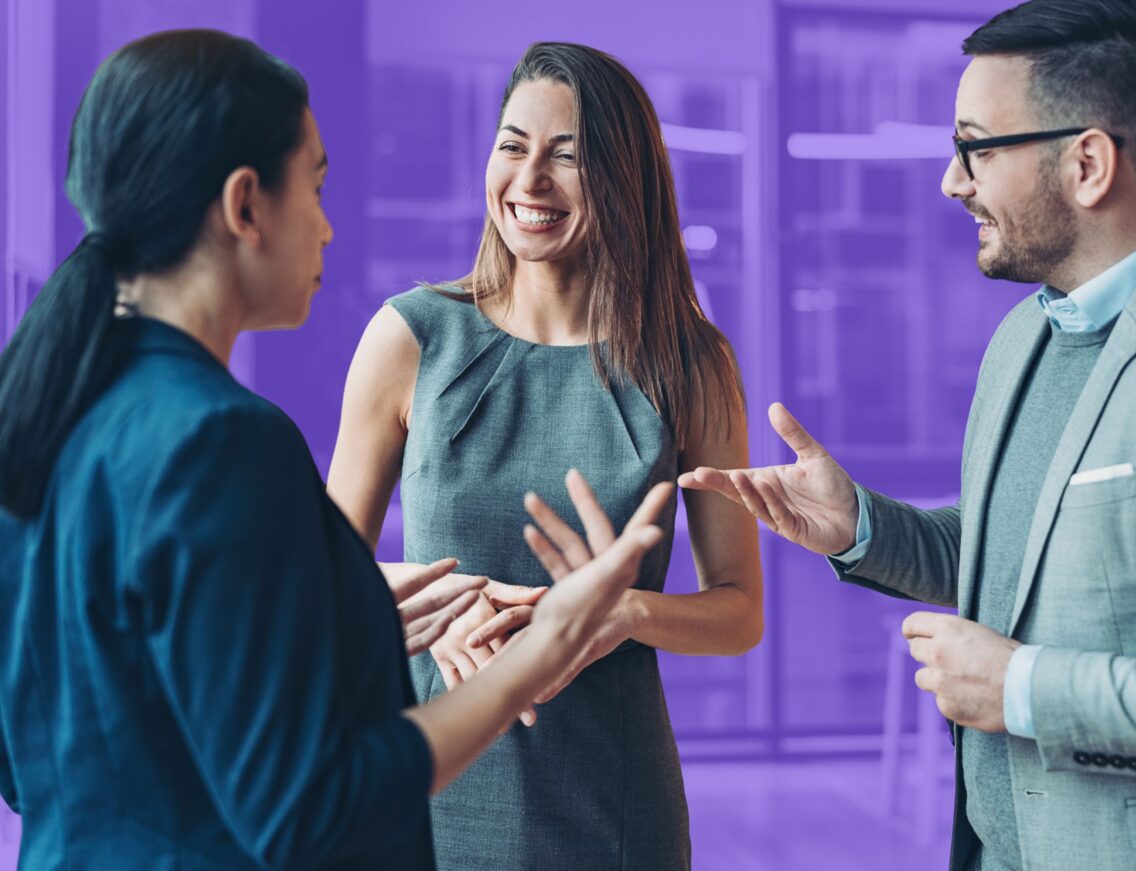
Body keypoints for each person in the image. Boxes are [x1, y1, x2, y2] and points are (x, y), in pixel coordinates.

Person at [0, 29, 669, 870]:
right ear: (246, 206)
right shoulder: (225, 440)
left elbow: (30, 756)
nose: (325, 228)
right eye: (314, 188)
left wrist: (339, 614)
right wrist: (542, 650)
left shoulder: (44, 403)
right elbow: (312, 811)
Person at [680, 1, 1136, 868]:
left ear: (1087, 164)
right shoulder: (1026, 334)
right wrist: (862, 526)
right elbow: (1024, 564)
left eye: (977, 148)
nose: (952, 181)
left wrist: (1023, 689)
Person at [327, 41, 762, 871]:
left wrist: (623, 612)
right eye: (513, 145)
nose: (529, 181)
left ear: (625, 178)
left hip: (614, 804)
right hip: (427, 786)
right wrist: (433, 602)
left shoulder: (691, 364)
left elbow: (740, 611)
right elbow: (319, 583)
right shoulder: (410, 338)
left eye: (567, 156)